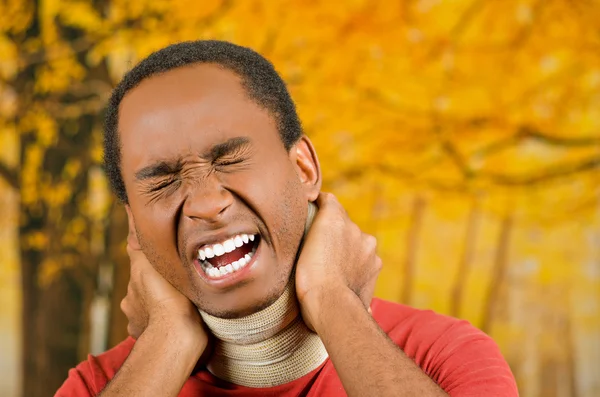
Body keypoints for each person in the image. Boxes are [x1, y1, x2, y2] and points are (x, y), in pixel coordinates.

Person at [56, 40, 518, 397]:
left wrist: (333, 301)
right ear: (133, 225)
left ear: (304, 169)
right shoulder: (101, 384)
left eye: (231, 158)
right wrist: (167, 341)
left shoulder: (445, 356)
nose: (204, 202)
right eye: (162, 182)